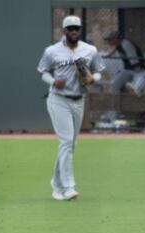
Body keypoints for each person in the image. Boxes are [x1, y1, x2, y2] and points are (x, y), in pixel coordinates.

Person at [37, 15, 105, 201]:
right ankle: (68, 187)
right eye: (70, 28)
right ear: (64, 30)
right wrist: (53, 81)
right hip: (58, 99)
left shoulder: (89, 50)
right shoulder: (52, 51)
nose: (74, 31)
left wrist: (92, 79)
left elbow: (99, 72)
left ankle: (56, 184)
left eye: (77, 28)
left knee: (71, 144)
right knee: (66, 141)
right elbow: (42, 71)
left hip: (79, 98)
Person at [103, 30, 144, 94]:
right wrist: (106, 55)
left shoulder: (126, 44)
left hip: (136, 70)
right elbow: (112, 51)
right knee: (115, 84)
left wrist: (137, 75)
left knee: (117, 84)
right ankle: (118, 101)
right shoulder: (119, 44)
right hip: (129, 70)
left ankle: (118, 101)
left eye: (110, 39)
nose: (108, 42)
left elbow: (136, 63)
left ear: (116, 39)